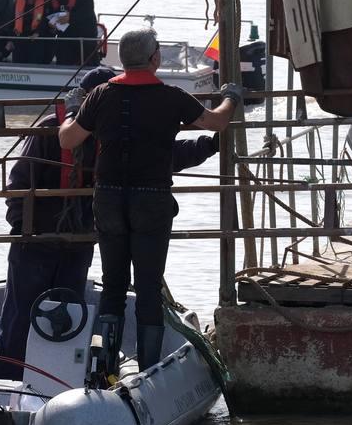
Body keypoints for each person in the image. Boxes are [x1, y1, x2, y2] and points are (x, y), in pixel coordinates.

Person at [0, 65, 223, 381]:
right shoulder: (50, 131)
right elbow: (19, 183)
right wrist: (24, 228)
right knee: (22, 314)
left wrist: (210, 145)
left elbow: (168, 155)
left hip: (80, 241)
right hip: (36, 241)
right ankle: (6, 378)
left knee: (67, 312)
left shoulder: (115, 136)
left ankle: (56, 380)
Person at [58, 27, 244, 372]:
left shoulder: (100, 94)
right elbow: (217, 122)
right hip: (151, 199)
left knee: (112, 284)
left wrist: (72, 109)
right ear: (155, 58)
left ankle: (105, 367)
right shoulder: (171, 96)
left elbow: (68, 140)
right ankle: (148, 371)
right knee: (147, 285)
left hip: (109, 198)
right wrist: (231, 96)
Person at [45, 0, 98, 66]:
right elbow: (48, 13)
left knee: (89, 63)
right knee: (62, 59)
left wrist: (71, 17)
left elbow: (88, 11)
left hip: (85, 34)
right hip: (65, 36)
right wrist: (51, 25)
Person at [10, 0, 49, 65]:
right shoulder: (18, 2)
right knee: (18, 63)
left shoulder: (44, 2)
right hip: (20, 39)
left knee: (35, 62)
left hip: (35, 39)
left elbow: (45, 20)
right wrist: (11, 39)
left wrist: (38, 32)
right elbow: (12, 21)